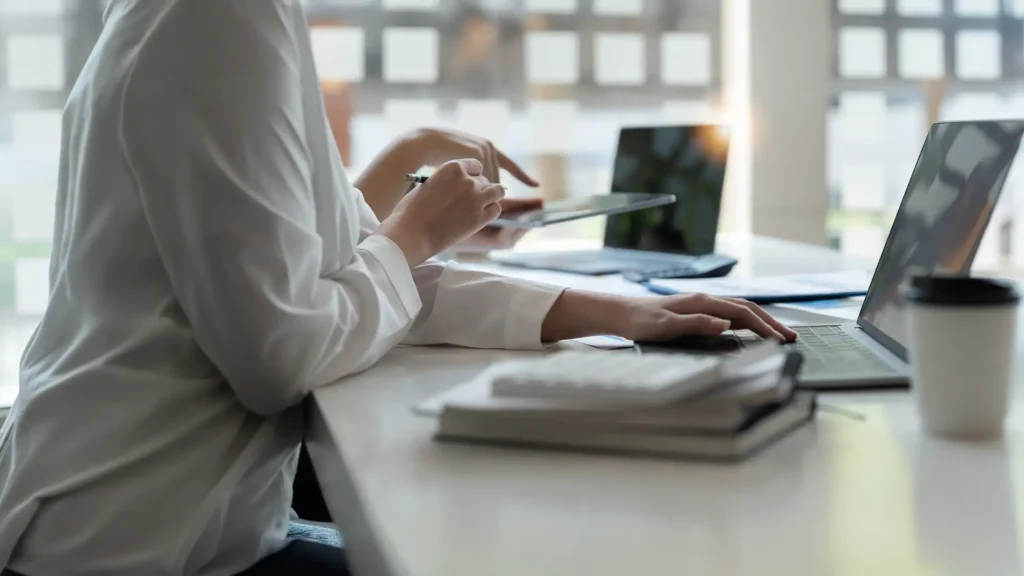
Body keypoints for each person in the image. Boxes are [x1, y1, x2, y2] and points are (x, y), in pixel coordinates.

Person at [0, 1, 797, 575]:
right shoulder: (216, 20)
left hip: (143, 519)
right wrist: (414, 231)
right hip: (132, 540)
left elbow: (352, 268)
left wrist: (615, 311)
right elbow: (281, 354)